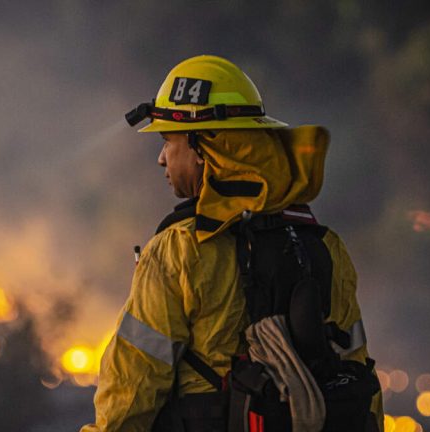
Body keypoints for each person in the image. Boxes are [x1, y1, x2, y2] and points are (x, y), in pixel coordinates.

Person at [80, 55, 383, 432]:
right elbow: (359, 381)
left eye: (168, 141)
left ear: (205, 147)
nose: (161, 159)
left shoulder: (179, 250)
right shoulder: (325, 246)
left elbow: (132, 389)